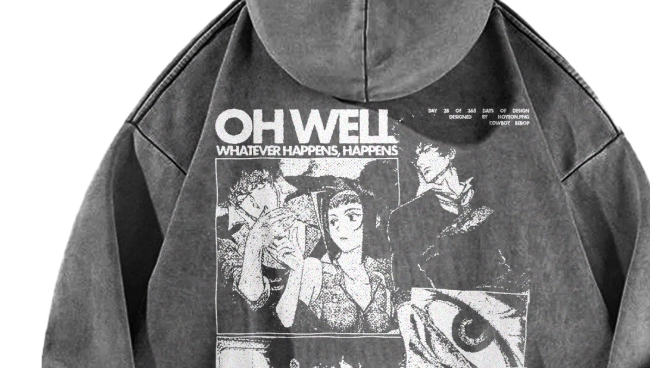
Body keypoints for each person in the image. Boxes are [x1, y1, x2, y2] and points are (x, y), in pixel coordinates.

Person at [387, 140, 523, 297]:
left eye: (424, 149)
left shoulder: (495, 196)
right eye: (414, 156)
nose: (419, 160)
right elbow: (404, 283)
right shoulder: (403, 217)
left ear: (449, 153)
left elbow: (521, 260)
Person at [275, 180, 394, 333]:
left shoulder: (379, 278)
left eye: (351, 217)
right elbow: (285, 319)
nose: (339, 227)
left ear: (371, 220)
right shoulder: (315, 268)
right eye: (333, 221)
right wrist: (296, 271)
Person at [216, 162, 317, 331]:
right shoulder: (227, 241)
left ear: (275, 184)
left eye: (261, 185)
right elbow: (252, 296)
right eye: (243, 196)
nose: (255, 199)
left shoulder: (307, 228)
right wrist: (254, 243)